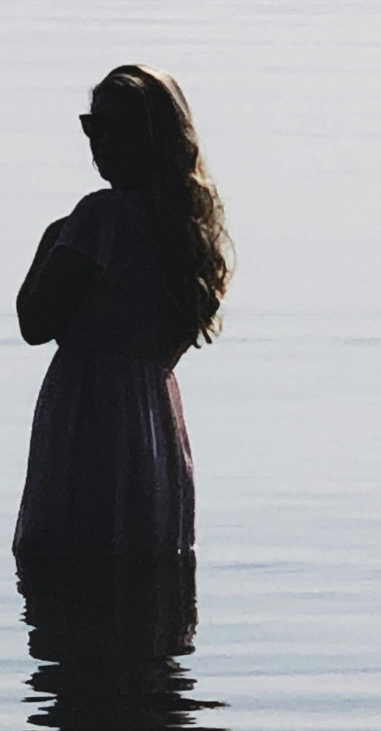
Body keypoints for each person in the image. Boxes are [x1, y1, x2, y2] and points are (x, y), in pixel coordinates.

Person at [13, 64, 232, 562]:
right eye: (95, 127)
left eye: (123, 130)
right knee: (144, 557)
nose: (104, 143)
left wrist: (53, 238)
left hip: (87, 409)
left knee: (65, 557)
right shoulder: (188, 235)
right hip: (154, 417)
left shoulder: (98, 216)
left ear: (156, 139)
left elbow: (35, 322)